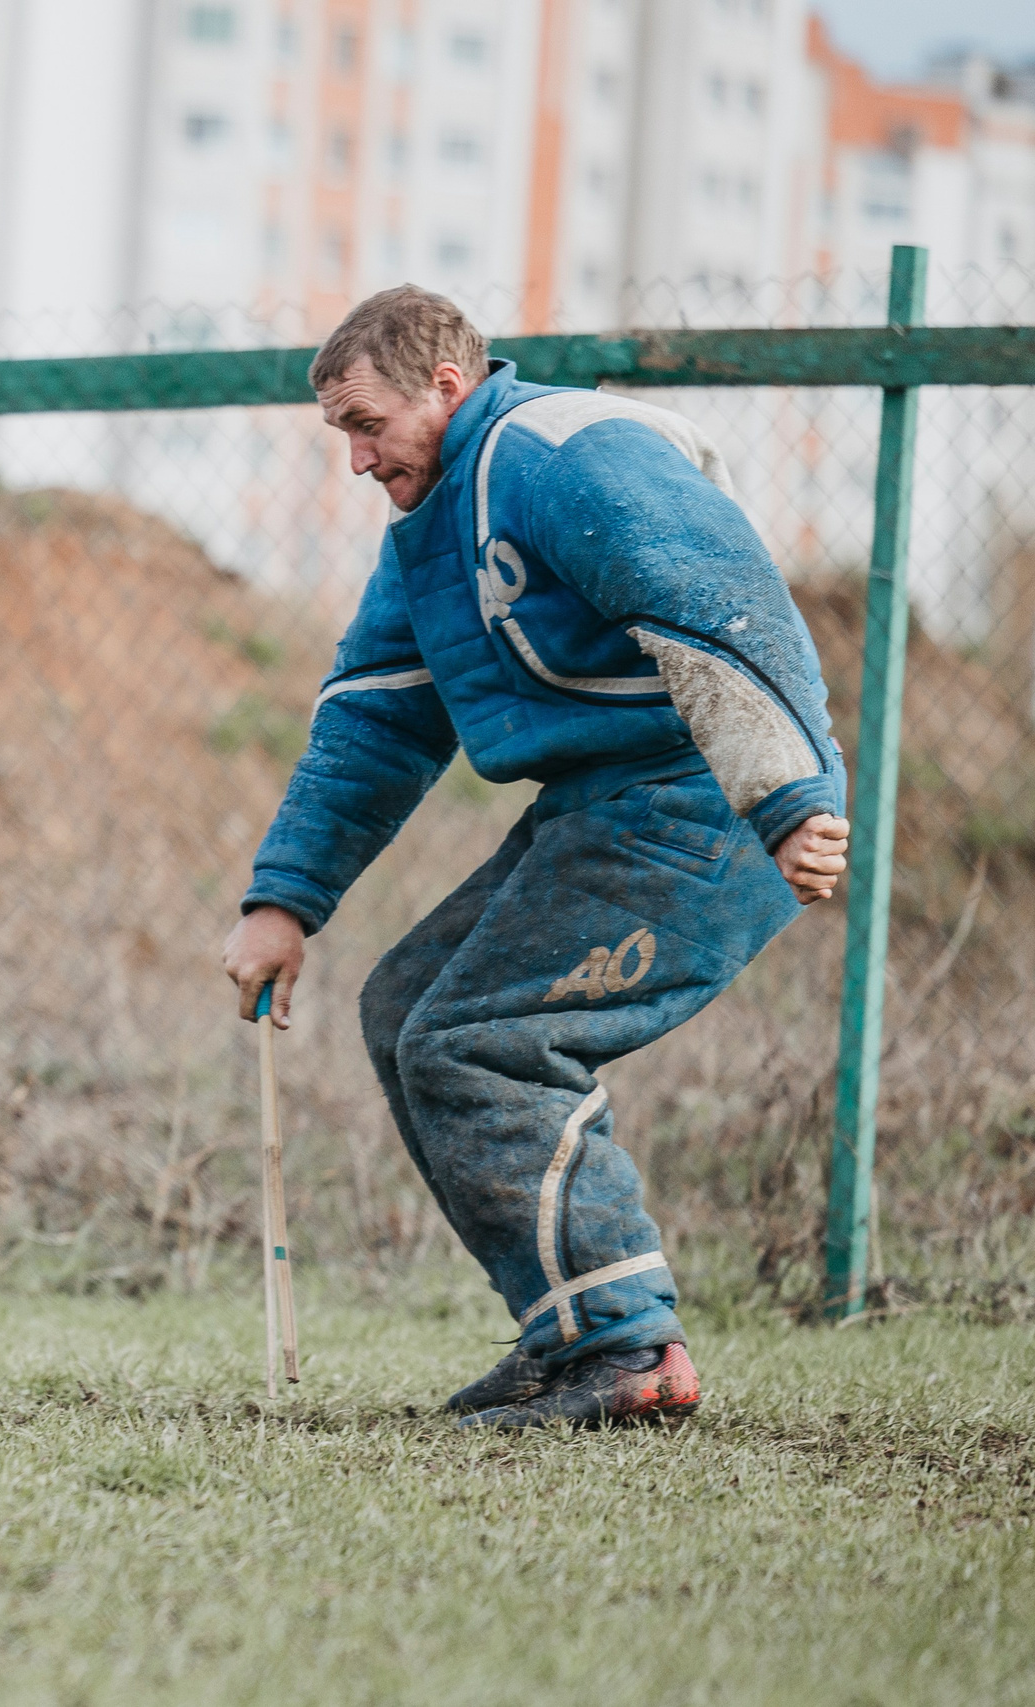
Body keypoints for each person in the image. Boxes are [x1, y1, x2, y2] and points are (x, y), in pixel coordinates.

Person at [221, 286, 851, 1430]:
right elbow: (375, 719)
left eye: (366, 425)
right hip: (606, 803)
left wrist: (790, 797)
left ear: (444, 388)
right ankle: (571, 1330)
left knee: (481, 1041)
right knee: (407, 1006)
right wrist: (285, 901)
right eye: (340, 437)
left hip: (707, 799)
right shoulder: (431, 526)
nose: (355, 460)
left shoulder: (562, 451)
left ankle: (628, 1353)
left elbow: (719, 602)